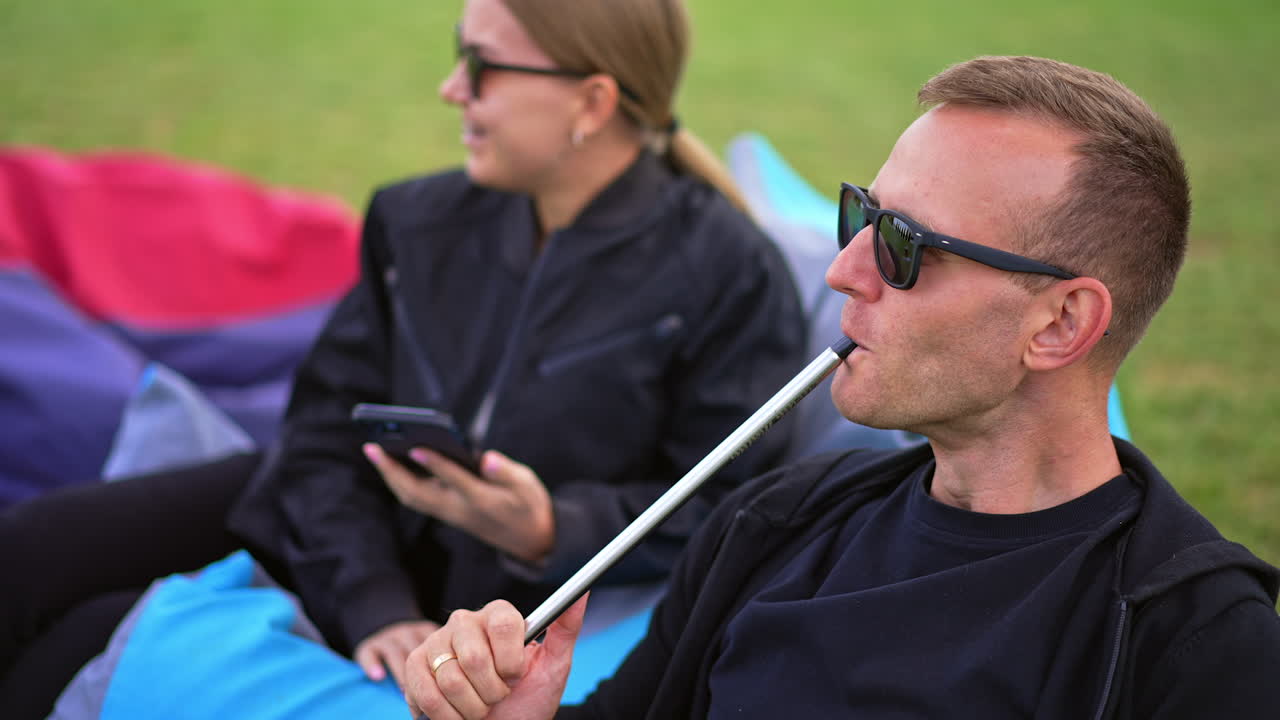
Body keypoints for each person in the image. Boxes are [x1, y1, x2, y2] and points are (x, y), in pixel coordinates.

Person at [402, 55, 1280, 720]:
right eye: (862, 215)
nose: (843, 271)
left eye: (904, 245)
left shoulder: (1190, 646)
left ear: (1060, 325)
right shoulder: (777, 525)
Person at [0, 0, 805, 715]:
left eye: (483, 67)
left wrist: (551, 529)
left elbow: (730, 503)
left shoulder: (729, 273)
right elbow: (318, 430)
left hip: (491, 609)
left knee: (80, 645)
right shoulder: (415, 220)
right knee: (34, 546)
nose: (452, 89)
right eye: (460, 54)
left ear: (591, 102)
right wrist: (373, 599)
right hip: (330, 522)